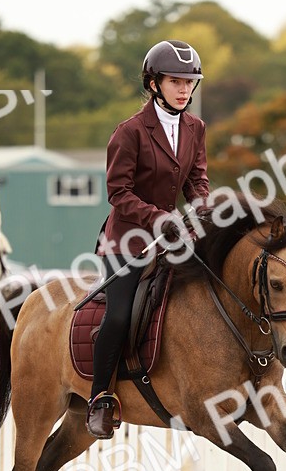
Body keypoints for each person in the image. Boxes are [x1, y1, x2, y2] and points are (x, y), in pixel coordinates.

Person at [86, 39, 210, 439]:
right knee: (120, 313)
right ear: (153, 83)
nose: (184, 90)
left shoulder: (196, 128)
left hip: (173, 237)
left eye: (189, 82)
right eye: (175, 81)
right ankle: (100, 396)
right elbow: (118, 193)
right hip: (127, 241)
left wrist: (206, 212)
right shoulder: (130, 132)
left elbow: (196, 181)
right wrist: (159, 218)